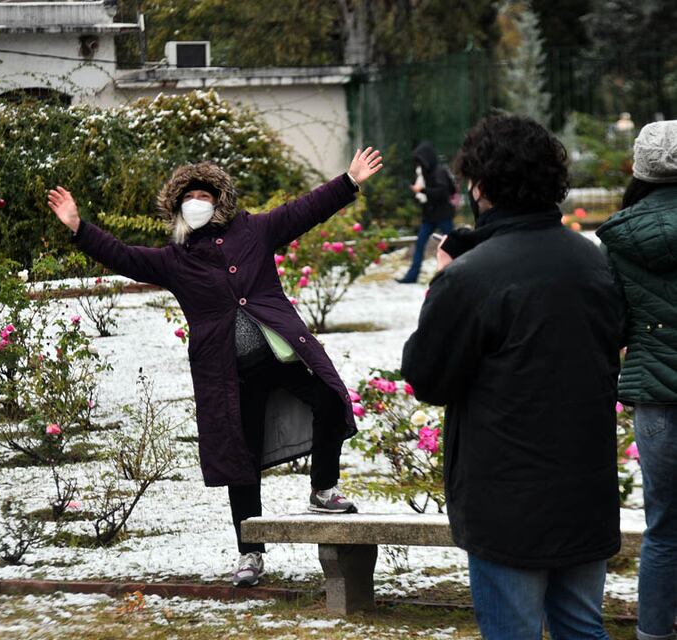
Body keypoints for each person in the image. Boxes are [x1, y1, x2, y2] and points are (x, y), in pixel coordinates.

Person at [48, 148, 383, 587]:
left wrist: (349, 182)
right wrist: (78, 228)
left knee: (328, 398)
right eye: (190, 197)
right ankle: (250, 555)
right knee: (240, 462)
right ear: (178, 206)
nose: (197, 202)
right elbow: (122, 256)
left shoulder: (255, 231)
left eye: (204, 194)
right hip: (230, 376)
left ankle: (322, 489)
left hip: (278, 356)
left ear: (219, 200)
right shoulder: (174, 258)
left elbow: (305, 210)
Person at [400, 115, 625, 639]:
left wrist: (442, 279)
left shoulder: (471, 277)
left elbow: (428, 377)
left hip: (506, 499)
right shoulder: (590, 260)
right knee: (581, 627)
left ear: (479, 185)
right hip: (584, 488)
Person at [597, 120, 677, 640]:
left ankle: (653, 633)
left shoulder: (621, 234)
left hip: (655, 398)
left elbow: (614, 323)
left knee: (664, 527)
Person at [397, 141, 456, 284]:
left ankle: (460, 271)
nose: (419, 164)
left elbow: (442, 193)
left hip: (442, 216)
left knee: (454, 245)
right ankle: (412, 276)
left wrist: (422, 191)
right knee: (420, 245)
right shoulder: (424, 174)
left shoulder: (439, 172)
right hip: (429, 216)